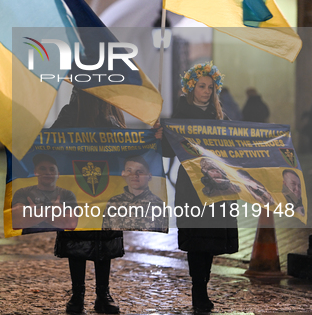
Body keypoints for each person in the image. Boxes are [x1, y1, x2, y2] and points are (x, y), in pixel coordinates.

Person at [164, 62, 238, 313]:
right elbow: (167, 151)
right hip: (192, 188)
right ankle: (198, 290)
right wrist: (160, 134)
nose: (206, 91)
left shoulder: (220, 116)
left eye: (211, 87)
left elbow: (233, 148)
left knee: (212, 240)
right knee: (197, 240)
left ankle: (203, 284)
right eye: (202, 86)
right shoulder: (180, 115)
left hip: (218, 186)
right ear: (191, 86)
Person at [51, 88, 126, 315]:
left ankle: (103, 294)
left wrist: (153, 137)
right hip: (76, 189)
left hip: (106, 189)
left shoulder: (112, 113)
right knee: (77, 243)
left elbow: (129, 144)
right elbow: (51, 141)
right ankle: (77, 294)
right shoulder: (70, 113)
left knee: (105, 241)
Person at [11, 154, 78, 231]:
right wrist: (53, 211)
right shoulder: (23, 192)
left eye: (52, 169)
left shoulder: (67, 194)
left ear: (58, 174)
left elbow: (71, 224)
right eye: (42, 169)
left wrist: (34, 213)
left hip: (56, 239)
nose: (48, 172)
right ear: (35, 172)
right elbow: (16, 223)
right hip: (29, 240)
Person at [102, 156, 167, 232]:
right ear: (123, 174)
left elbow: (163, 238)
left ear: (149, 176)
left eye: (140, 171)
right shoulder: (113, 203)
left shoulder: (158, 204)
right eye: (129, 171)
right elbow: (105, 236)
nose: (134, 175)